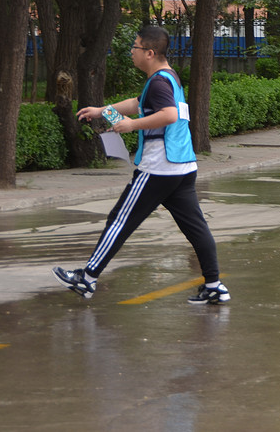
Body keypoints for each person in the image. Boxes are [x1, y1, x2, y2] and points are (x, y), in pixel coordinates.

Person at [53, 26, 230, 305]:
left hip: (158, 168)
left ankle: (87, 278)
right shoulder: (166, 78)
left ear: (149, 52)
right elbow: (138, 104)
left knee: (119, 220)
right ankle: (214, 285)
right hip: (181, 166)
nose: (131, 52)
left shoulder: (159, 82)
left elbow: (169, 115)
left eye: (135, 47)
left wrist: (132, 125)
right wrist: (102, 111)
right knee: (196, 228)